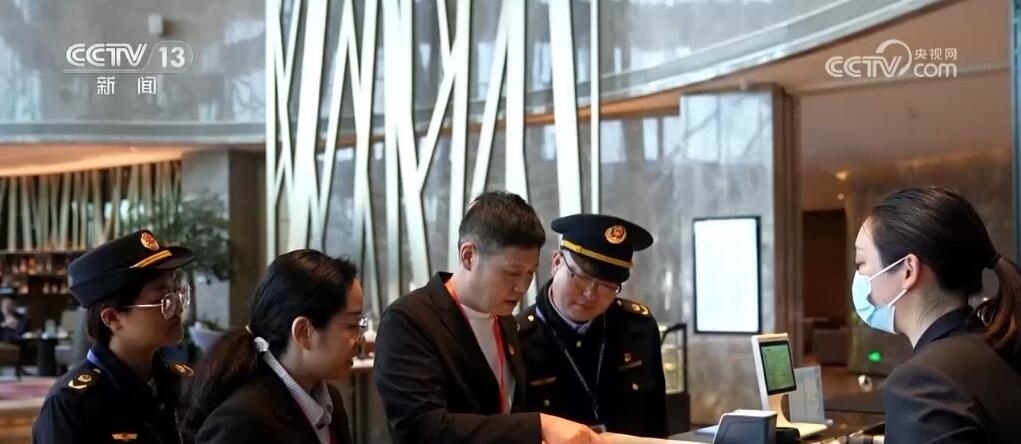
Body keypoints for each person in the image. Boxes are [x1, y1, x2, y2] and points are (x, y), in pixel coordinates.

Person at [374, 191, 606, 444]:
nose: (522, 287)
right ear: (468, 256)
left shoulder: (505, 320)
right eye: (512, 273)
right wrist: (538, 425)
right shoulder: (409, 320)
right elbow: (421, 425)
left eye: (530, 273)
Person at [852, 187, 1021, 442]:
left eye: (861, 263)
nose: (859, 277)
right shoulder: (998, 347)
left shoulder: (923, 383)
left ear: (908, 271)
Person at [181, 250, 364, 444]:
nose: (360, 341)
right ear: (303, 332)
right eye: (352, 325)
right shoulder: (240, 424)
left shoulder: (330, 401)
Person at [32, 230, 195, 444]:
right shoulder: (72, 404)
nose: (178, 308)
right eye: (162, 300)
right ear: (112, 318)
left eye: (177, 293)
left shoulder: (182, 383)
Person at [517, 214, 667, 438]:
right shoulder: (518, 338)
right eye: (581, 277)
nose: (590, 294)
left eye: (607, 285)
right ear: (556, 262)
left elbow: (657, 424)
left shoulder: (637, 328)